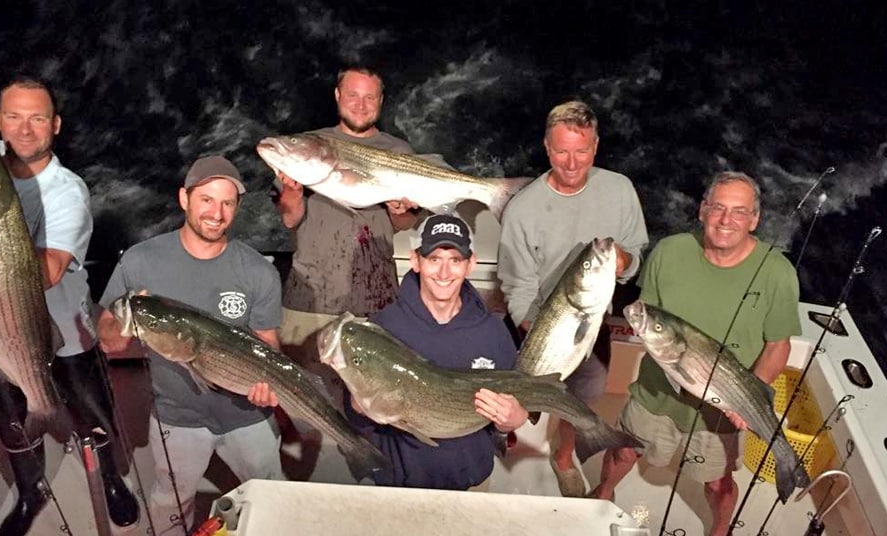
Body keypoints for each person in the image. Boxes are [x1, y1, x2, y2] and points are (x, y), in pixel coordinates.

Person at [0, 77, 139, 534]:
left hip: (68, 331)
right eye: (13, 116)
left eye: (37, 118)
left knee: (94, 418)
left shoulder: (68, 190)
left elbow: (51, 270)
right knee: (12, 424)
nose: (25, 128)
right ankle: (31, 489)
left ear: (54, 126)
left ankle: (111, 478)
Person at [590, 172, 801, 536]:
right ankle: (603, 491)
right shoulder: (669, 251)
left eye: (739, 212)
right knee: (624, 450)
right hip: (657, 390)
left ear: (754, 219)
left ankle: (721, 529)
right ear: (702, 210)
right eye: (717, 207)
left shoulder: (778, 273)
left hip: (723, 408)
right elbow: (649, 317)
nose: (725, 220)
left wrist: (748, 396)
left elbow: (778, 345)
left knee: (718, 483)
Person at [97, 155, 284, 533]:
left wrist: (271, 390)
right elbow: (108, 343)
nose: (217, 213)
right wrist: (128, 322)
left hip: (245, 414)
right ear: (184, 198)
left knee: (270, 495)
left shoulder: (258, 272)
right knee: (170, 499)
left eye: (227, 203)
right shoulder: (140, 261)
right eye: (206, 200)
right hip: (176, 416)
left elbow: (270, 347)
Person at [497, 100, 649, 497]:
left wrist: (624, 260)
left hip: (592, 319)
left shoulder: (619, 189)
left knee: (585, 396)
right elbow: (517, 286)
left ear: (595, 146)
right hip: (538, 325)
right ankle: (505, 436)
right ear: (547, 148)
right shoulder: (523, 208)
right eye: (561, 151)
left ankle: (563, 455)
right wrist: (543, 333)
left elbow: (635, 251)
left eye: (581, 150)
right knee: (515, 396)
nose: (571, 161)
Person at [343, 214, 528, 490]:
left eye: (455, 260)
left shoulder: (493, 332)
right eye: (434, 259)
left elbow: (509, 413)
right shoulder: (383, 326)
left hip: (471, 482)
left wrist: (513, 420)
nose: (444, 273)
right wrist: (357, 406)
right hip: (397, 483)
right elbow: (357, 417)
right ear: (415, 261)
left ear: (471, 264)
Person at [274, 66, 420, 386]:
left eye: (370, 97)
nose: (360, 104)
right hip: (310, 299)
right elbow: (289, 218)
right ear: (338, 95)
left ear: (381, 101)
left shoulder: (398, 151)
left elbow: (403, 223)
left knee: (373, 401)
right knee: (308, 401)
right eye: (352, 95)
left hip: (376, 301)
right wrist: (293, 192)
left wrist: (400, 209)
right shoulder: (309, 147)